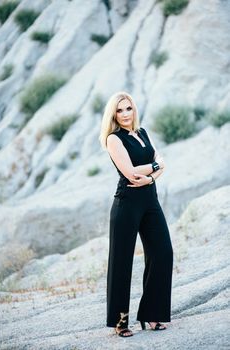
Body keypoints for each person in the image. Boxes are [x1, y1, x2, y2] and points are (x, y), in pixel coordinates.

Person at [99, 91, 173, 337]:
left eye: (128, 108)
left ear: (134, 109)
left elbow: (161, 163)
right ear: (114, 114)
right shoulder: (113, 139)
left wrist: (150, 176)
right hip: (127, 204)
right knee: (121, 262)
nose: (125, 114)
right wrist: (155, 167)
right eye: (119, 110)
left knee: (163, 253)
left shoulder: (142, 133)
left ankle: (152, 314)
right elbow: (131, 172)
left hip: (150, 201)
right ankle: (120, 322)